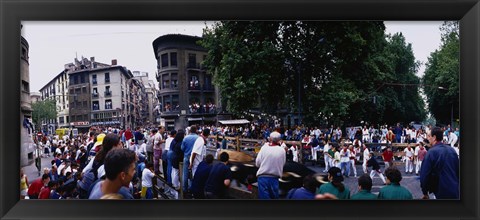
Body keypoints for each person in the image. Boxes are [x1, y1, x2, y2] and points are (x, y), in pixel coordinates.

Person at [420, 126, 460, 199]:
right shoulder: (452, 150)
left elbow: (424, 176)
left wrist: (425, 192)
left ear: (434, 137)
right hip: (455, 191)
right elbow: (458, 171)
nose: (427, 138)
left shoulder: (431, 153)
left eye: (429, 136)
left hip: (441, 193)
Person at [255, 131, 286, 199]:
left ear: (270, 139)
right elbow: (283, 164)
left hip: (263, 177)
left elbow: (257, 163)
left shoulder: (264, 148)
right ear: (279, 140)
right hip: (275, 178)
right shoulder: (282, 150)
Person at [181, 125, 200, 194]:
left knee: (185, 174)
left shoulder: (186, 138)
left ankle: (185, 189)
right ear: (196, 130)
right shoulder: (198, 138)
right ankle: (193, 188)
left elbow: (182, 148)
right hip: (195, 158)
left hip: (186, 156)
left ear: (190, 130)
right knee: (194, 173)